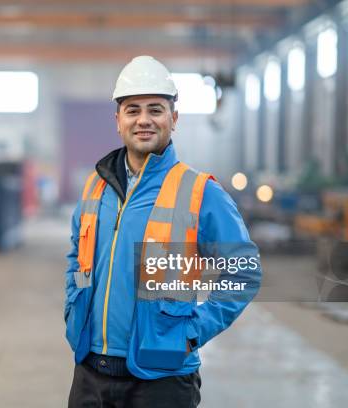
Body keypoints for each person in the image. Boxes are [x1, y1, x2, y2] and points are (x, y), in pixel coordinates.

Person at [64, 56, 262, 407]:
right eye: (132, 110)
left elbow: (243, 272)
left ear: (174, 118)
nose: (143, 120)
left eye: (155, 109)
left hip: (162, 380)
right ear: (118, 120)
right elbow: (77, 258)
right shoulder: (96, 186)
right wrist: (72, 306)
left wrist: (191, 332)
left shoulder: (200, 192)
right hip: (90, 372)